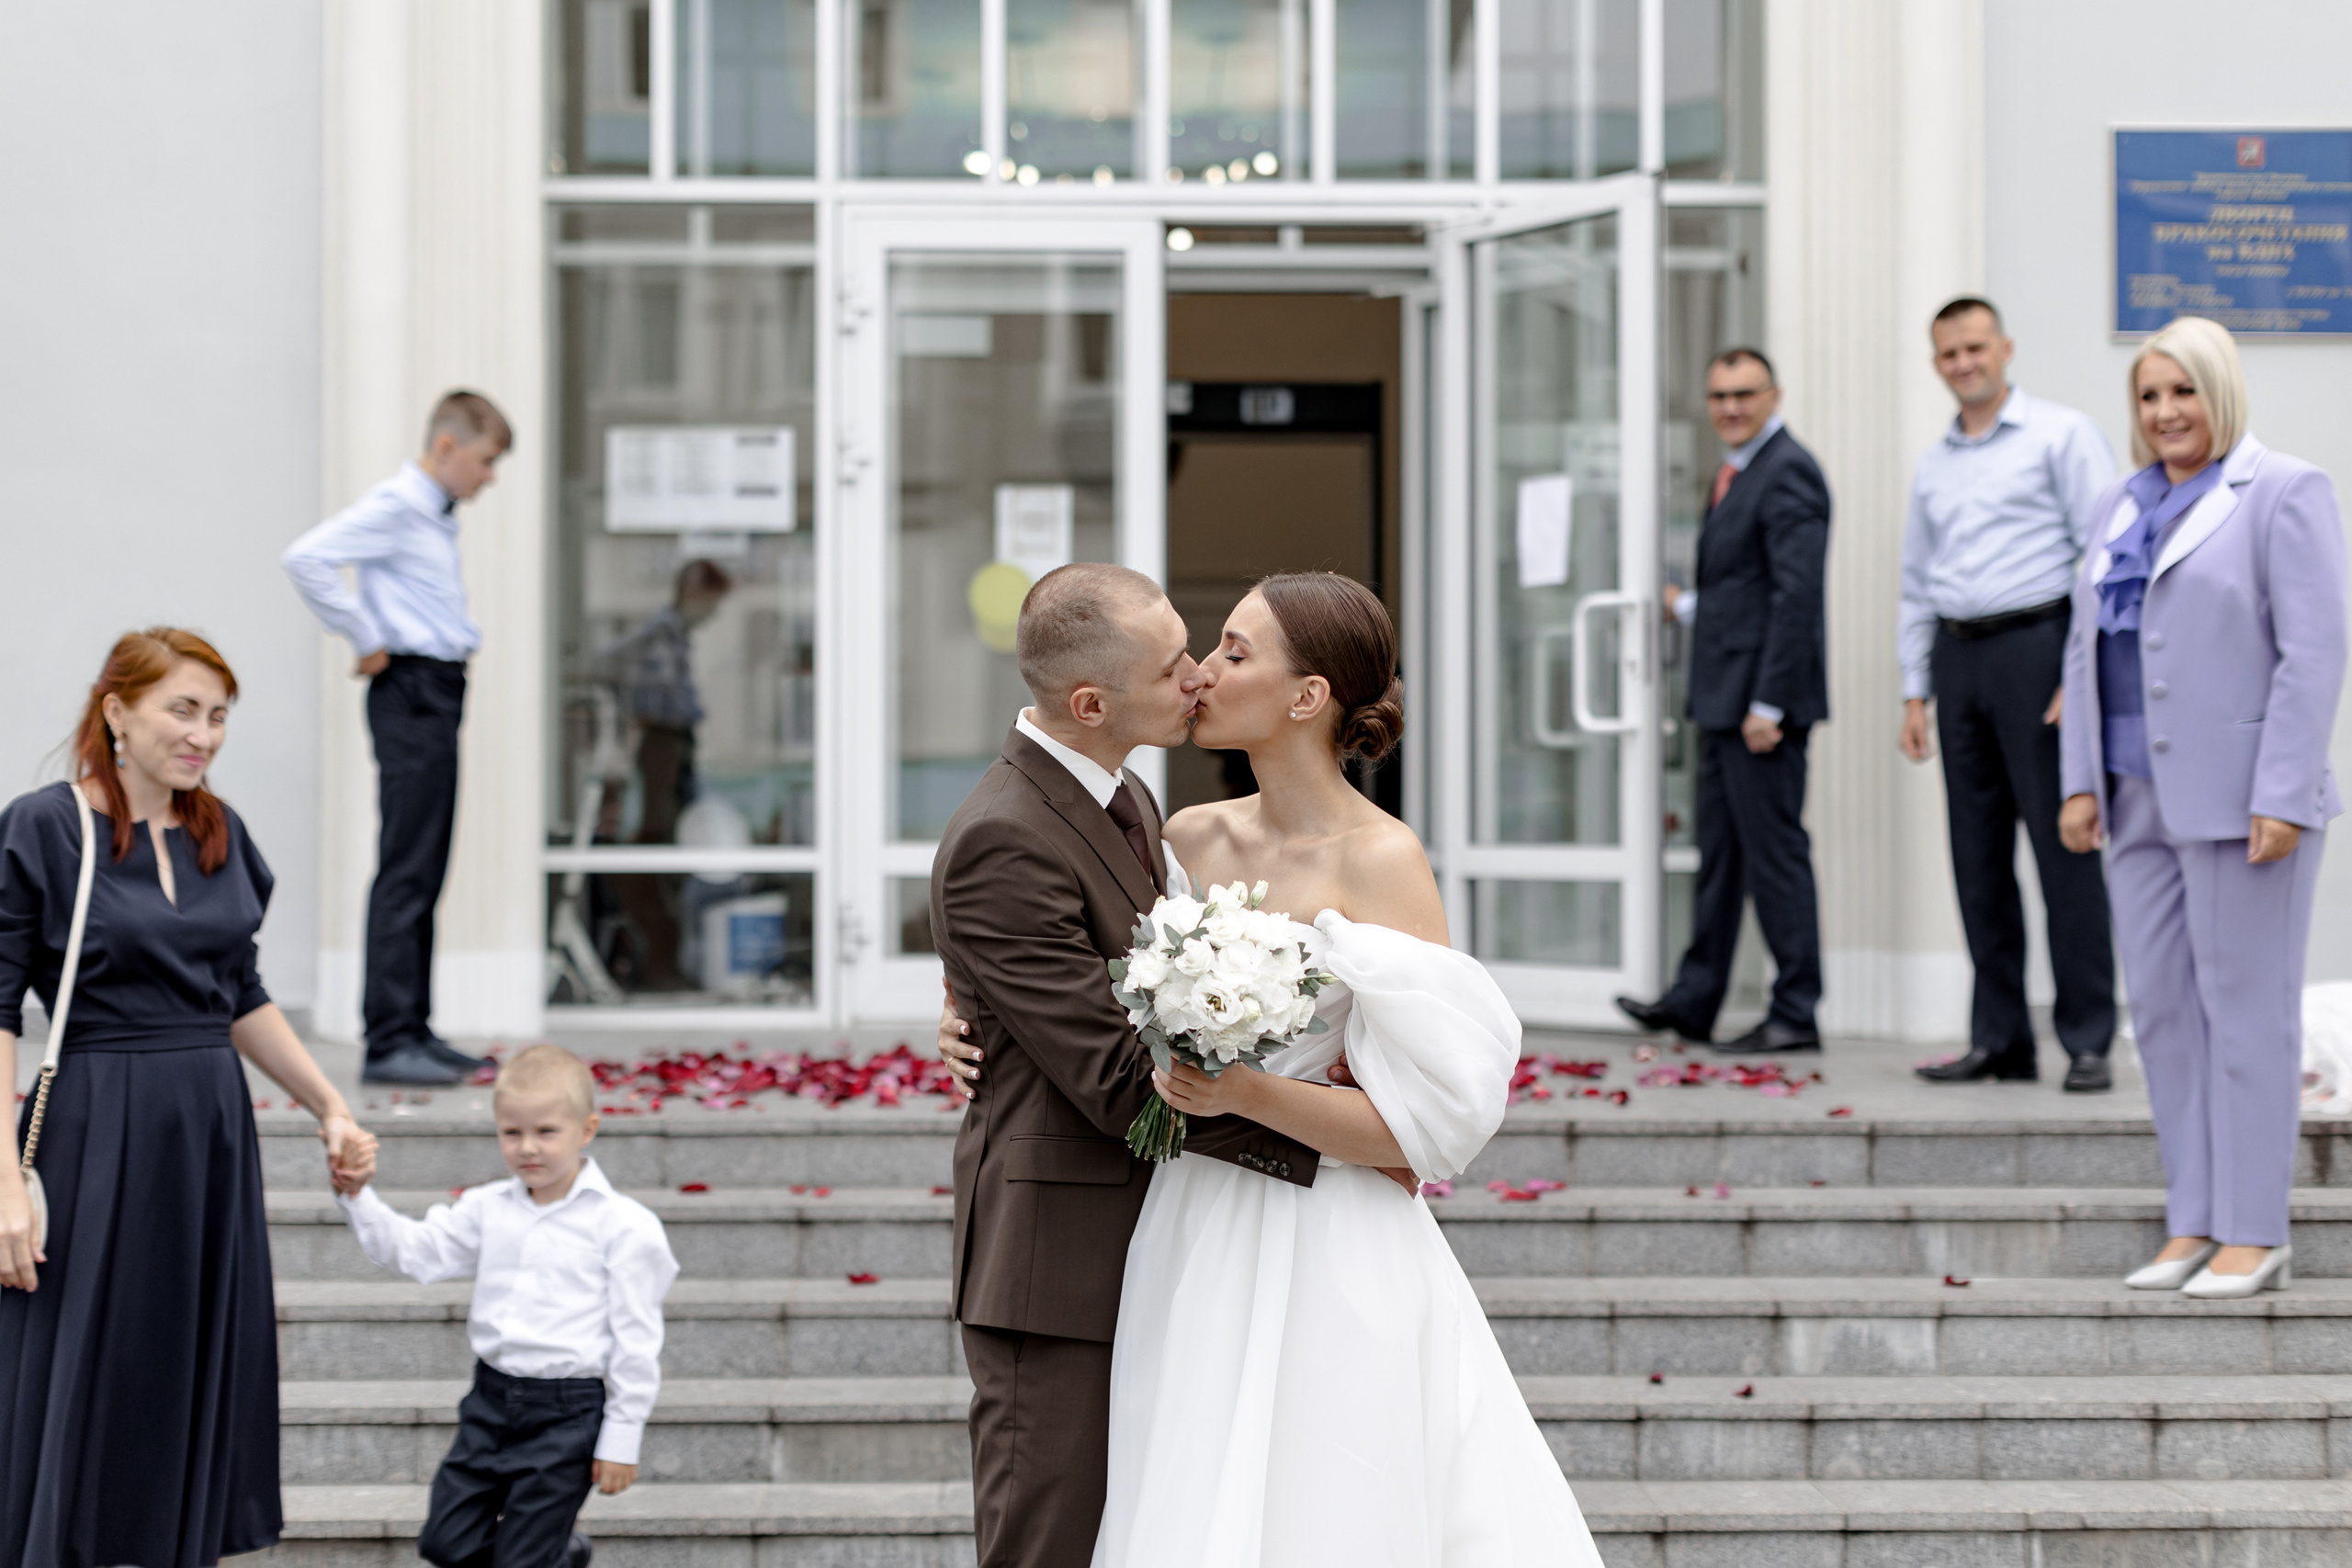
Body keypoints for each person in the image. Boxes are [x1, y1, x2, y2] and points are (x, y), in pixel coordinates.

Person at [938, 571, 1604, 1567]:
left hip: (1328, 1234)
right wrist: (968, 1006)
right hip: (1183, 1227)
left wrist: (1271, 1102)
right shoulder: (1183, 835)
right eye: (1199, 652)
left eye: (1232, 653)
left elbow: (1421, 1125)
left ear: (1307, 697)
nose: (1202, 673)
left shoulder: (1383, 861)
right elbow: (1085, 992)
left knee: (1332, 1500)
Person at [927, 562, 1333, 1568]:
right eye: (1172, 665)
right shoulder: (1002, 839)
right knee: (1047, 1543)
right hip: (1056, 1262)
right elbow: (1116, 1081)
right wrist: (1343, 1138)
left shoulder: (1129, 798)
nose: (1196, 676)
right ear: (1089, 703)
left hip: (1154, 1236)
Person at [0, 627, 376, 1568]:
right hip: (94, 1125)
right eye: (182, 708)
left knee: (177, 1363)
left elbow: (237, 992)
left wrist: (328, 1102)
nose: (202, 733)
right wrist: (4, 1178)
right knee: (83, 1363)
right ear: (116, 710)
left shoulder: (219, 832)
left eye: (217, 715)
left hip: (208, 1132)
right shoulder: (47, 826)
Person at [2060, 316, 2346, 1300]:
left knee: (2244, 1014)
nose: (2164, 412)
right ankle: (2192, 1217)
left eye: (2182, 391)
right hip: (2134, 798)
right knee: (2168, 1019)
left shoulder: (2283, 492)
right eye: (2148, 396)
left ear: (2218, 391)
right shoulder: (2118, 505)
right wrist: (2078, 780)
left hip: (2242, 805)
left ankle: (2254, 1231)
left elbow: (2314, 655)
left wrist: (2283, 791)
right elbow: (2081, 649)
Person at [332, 1043, 678, 1568]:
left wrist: (622, 1437)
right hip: (490, 1404)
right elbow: (415, 1253)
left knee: (520, 1562)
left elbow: (637, 1337)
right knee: (444, 1543)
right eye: (512, 1133)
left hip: (567, 1415)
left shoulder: (625, 1226)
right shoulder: (487, 1208)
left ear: (587, 1129)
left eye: (546, 1132)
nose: (527, 1148)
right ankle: (562, 1556)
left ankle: (545, 1556)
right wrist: (358, 1196)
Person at [1900, 297, 2120, 1091]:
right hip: (1957, 659)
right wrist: (1914, 689)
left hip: (2039, 652)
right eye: (1949, 353)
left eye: (1975, 347)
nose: (1964, 362)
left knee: (2065, 851)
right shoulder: (1935, 462)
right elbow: (1917, 580)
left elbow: (2102, 558)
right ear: (1938, 364)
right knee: (1977, 859)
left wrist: (2082, 669)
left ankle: (2089, 1037)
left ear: (2005, 349)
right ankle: (2000, 1039)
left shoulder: (2061, 436)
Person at [282, 389, 512, 1086]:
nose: (489, 475)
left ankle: (412, 1026)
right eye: (485, 459)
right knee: (407, 864)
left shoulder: (432, 517)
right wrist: (365, 635)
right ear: (446, 446)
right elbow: (306, 557)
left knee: (426, 861)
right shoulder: (398, 505)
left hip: (435, 690)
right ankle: (388, 1039)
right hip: (412, 689)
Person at [1617, 348, 1831, 1055]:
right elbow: (1748, 585)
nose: (1731, 407)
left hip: (1760, 709)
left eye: (1744, 394)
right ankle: (1696, 1000)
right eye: (1719, 395)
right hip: (1722, 702)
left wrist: (1770, 702)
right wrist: (1692, 607)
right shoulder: (1736, 471)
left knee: (1774, 857)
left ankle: (1796, 1011)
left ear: (1775, 394)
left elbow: (1795, 596)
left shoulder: (1788, 469)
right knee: (1722, 859)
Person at [595, 559, 735, 988]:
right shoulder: (661, 633)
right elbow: (608, 664)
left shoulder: (674, 635)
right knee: (655, 836)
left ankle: (666, 958)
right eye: (712, 603)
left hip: (673, 743)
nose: (713, 613)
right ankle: (659, 960)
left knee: (669, 834)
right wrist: (642, 712)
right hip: (661, 742)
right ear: (696, 593)